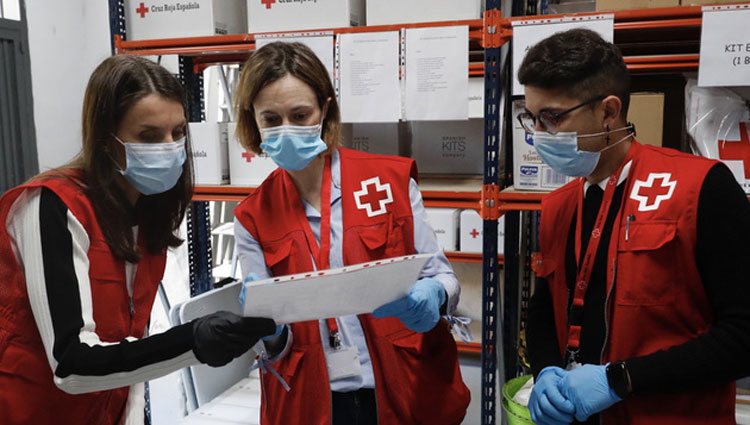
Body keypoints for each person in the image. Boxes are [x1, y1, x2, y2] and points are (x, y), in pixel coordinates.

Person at [0, 55, 277, 424]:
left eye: (178, 133)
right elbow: (73, 363)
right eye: (149, 136)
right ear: (106, 140)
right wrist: (191, 341)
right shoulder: (51, 207)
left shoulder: (148, 216)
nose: (169, 146)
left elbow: (130, 340)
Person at [519, 28, 750, 425]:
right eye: (532, 118)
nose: (539, 135)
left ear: (609, 111)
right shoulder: (559, 206)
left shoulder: (700, 189)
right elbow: (543, 309)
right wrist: (544, 372)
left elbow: (744, 336)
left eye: (552, 118)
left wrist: (621, 380)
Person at [232, 41, 471, 425]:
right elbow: (272, 347)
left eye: (300, 114)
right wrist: (268, 330)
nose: (286, 129)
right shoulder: (252, 216)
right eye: (271, 119)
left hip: (401, 387)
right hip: (316, 403)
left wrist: (435, 296)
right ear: (253, 121)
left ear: (324, 110)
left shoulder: (388, 181)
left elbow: (444, 278)